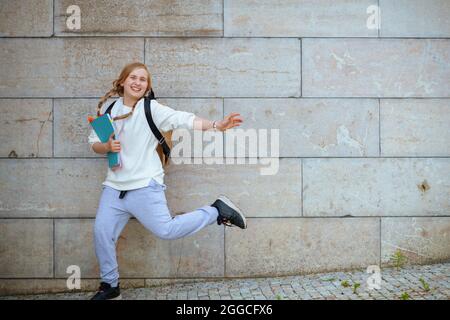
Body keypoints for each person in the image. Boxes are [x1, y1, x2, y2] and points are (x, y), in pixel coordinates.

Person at [88, 62, 247, 300]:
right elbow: (95, 144)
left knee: (167, 230)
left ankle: (216, 210)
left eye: (143, 79)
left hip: (144, 185)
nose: (137, 82)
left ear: (147, 86)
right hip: (114, 187)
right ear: (122, 81)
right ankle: (110, 287)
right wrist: (107, 146)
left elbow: (184, 119)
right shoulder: (107, 111)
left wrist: (216, 125)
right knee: (102, 233)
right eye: (133, 77)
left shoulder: (151, 109)